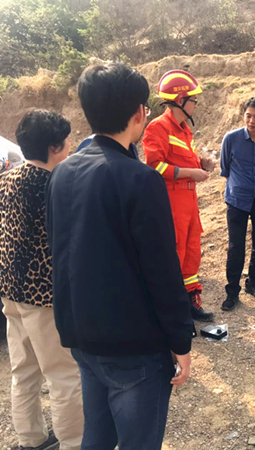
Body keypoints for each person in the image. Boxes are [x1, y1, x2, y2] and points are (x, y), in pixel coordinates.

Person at [46, 63, 196, 449]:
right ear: (139, 113)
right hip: (133, 347)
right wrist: (181, 340)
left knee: (96, 437)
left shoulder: (63, 173)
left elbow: (59, 252)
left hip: (82, 335)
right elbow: (162, 271)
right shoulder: (140, 180)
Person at [0, 110, 83, 450]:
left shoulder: (7, 179)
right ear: (53, 147)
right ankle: (75, 442)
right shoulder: (54, 185)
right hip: (44, 295)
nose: (70, 146)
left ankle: (30, 439)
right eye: (66, 141)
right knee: (63, 375)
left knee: (24, 371)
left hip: (10, 289)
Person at [142, 69, 214, 322]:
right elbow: (154, 167)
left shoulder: (184, 129)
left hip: (189, 202)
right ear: (180, 100)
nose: (196, 104)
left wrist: (202, 164)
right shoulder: (158, 128)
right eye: (193, 99)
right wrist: (191, 173)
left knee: (191, 251)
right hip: (171, 203)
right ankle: (170, 309)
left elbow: (183, 161)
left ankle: (190, 301)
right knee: (174, 253)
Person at [220, 98, 255, 311]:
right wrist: (238, 185)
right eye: (248, 116)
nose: (251, 121)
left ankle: (254, 283)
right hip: (237, 199)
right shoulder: (231, 139)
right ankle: (232, 291)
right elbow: (225, 168)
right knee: (236, 246)